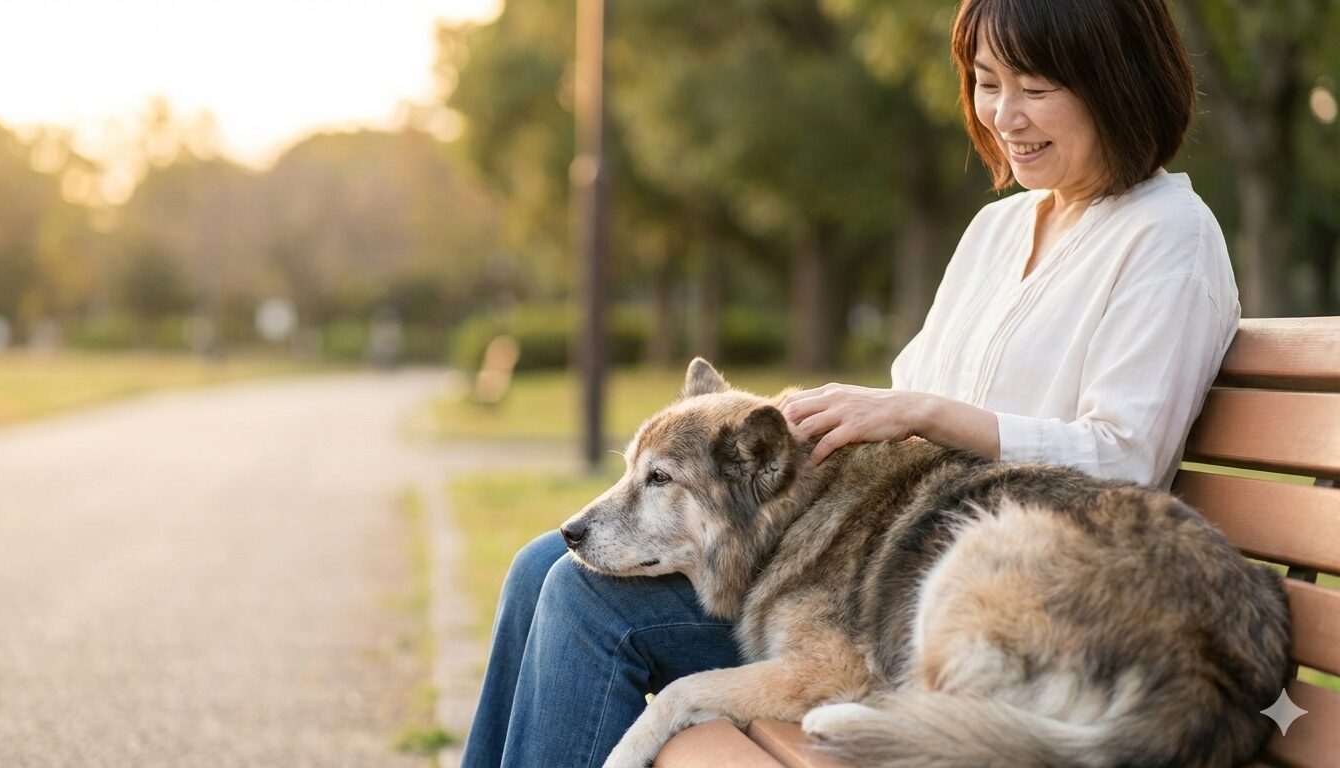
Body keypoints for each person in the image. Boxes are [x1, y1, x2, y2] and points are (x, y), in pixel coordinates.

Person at [462, 0, 1239, 765]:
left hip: (994, 610)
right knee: (542, 566)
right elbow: (899, 418)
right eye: (986, 81)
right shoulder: (998, 229)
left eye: (1035, 89)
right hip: (877, 577)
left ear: (1119, 80)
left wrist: (927, 410)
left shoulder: (1167, 235)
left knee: (583, 600)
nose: (1004, 115)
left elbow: (1127, 461)